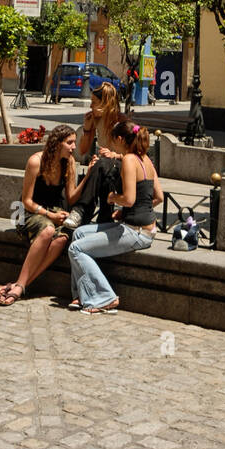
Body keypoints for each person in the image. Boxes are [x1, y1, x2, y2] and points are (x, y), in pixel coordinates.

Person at [67, 120, 162, 313]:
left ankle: (105, 297)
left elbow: (128, 198)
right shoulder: (145, 160)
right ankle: (81, 296)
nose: (112, 144)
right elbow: (158, 197)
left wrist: (113, 198)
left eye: (113, 140)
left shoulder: (128, 160)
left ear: (120, 139)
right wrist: (130, 210)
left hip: (136, 232)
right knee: (78, 234)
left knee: (76, 249)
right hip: (143, 227)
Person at [0, 124, 92, 307]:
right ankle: (19, 286)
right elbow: (26, 201)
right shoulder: (35, 162)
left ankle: (18, 286)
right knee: (47, 230)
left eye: (74, 143)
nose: (73, 147)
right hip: (29, 212)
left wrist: (87, 176)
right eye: (69, 143)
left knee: (62, 239)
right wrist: (50, 215)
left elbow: (71, 198)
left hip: (53, 211)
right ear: (57, 143)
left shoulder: (69, 162)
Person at [60, 81, 124, 234]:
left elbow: (138, 155)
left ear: (105, 103)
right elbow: (82, 150)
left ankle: (81, 211)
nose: (90, 106)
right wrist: (88, 128)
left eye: (94, 103)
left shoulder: (122, 123)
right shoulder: (97, 120)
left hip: (124, 171)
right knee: (101, 166)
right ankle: (104, 218)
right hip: (106, 171)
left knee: (101, 164)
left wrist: (115, 155)